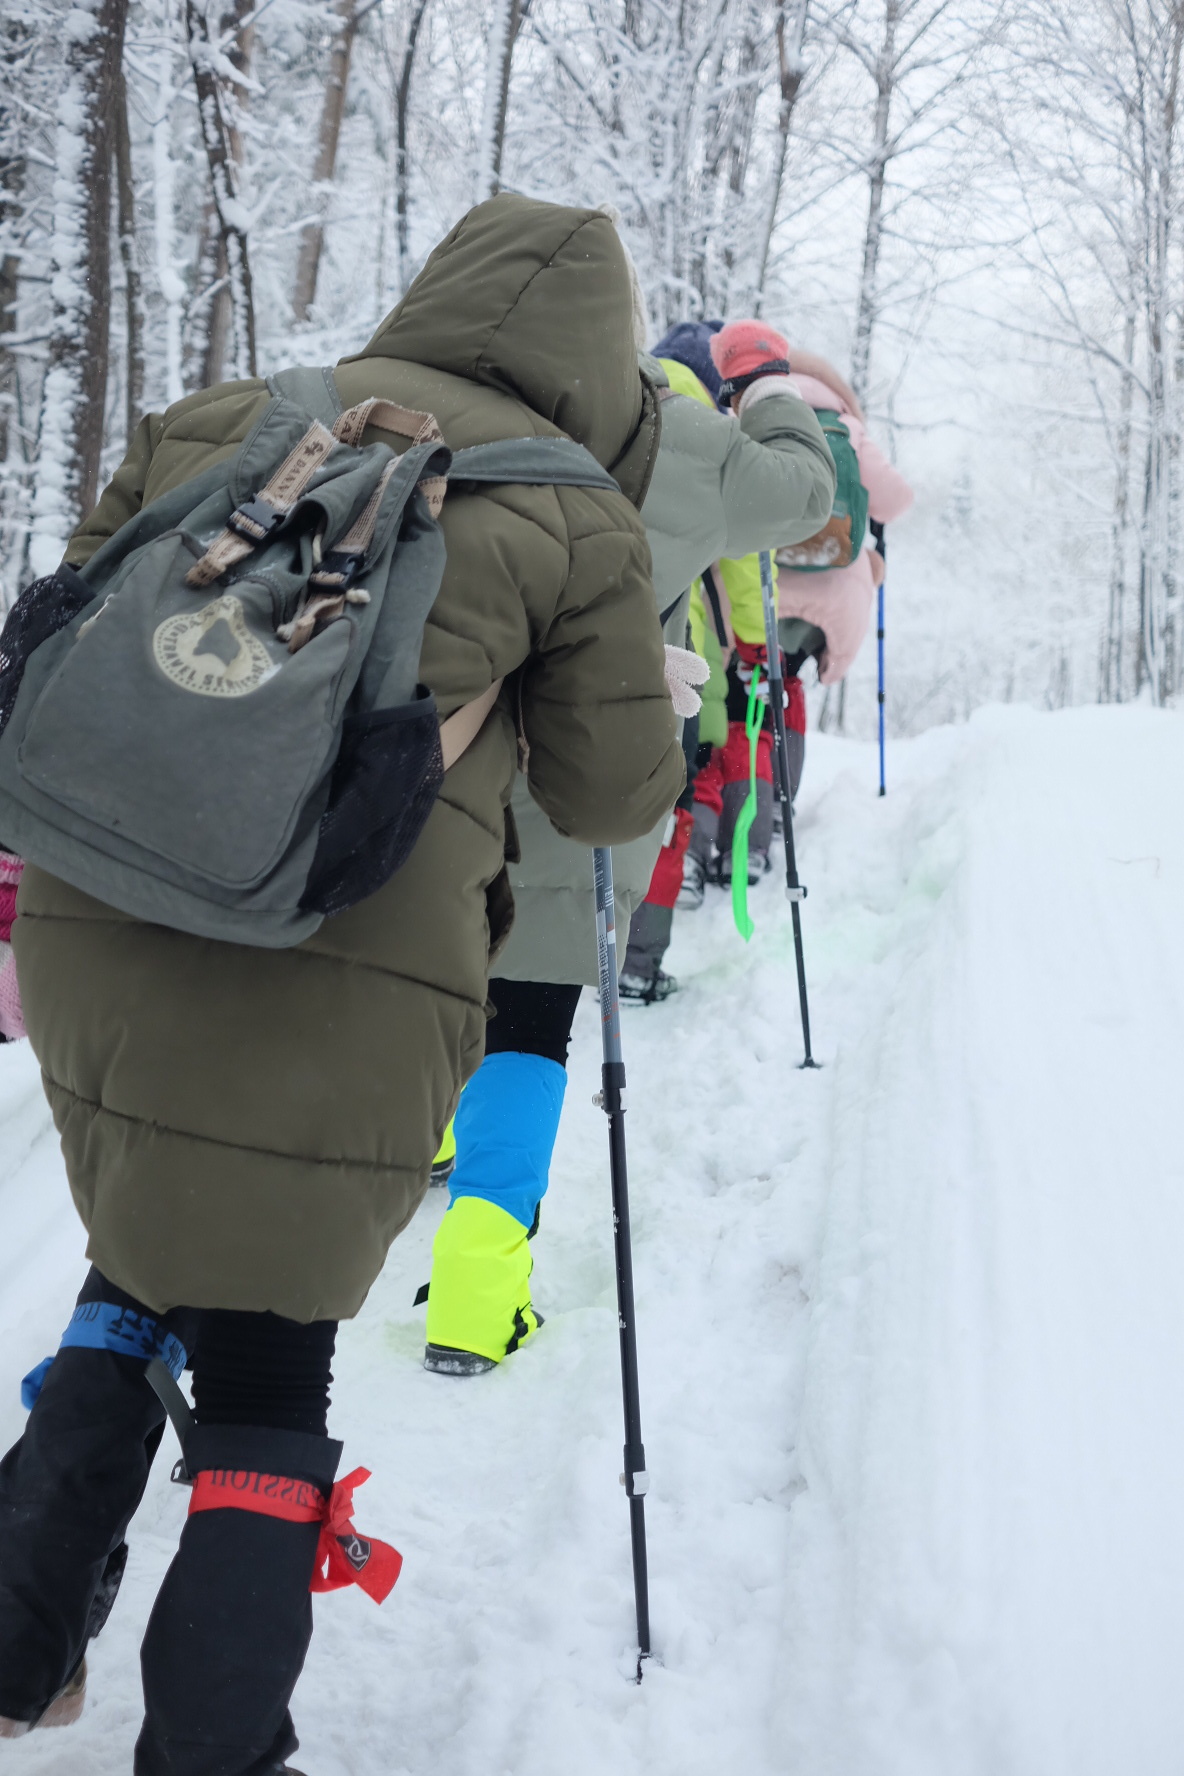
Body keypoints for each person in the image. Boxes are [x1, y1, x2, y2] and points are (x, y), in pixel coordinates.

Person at [0, 193, 684, 1771]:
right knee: (267, 1358)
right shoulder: (578, 516)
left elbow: (76, 633)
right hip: (346, 960)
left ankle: (21, 1642)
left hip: (104, 922)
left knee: (136, 1263)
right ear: (598, 366)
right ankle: (217, 1751)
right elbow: (607, 798)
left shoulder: (234, 415)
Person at [422, 312, 838, 1374]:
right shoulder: (676, 440)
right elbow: (801, 492)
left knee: (432, 977)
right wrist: (770, 386)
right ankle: (473, 1296)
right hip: (579, 755)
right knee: (530, 1010)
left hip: (425, 750)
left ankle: (416, 1145)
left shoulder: (444, 407)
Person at [680, 331, 914, 894]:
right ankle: (778, 806)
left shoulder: (750, 418)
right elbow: (897, 500)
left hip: (759, 593)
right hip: (830, 602)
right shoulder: (845, 427)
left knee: (744, 699)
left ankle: (731, 828)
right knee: (786, 693)